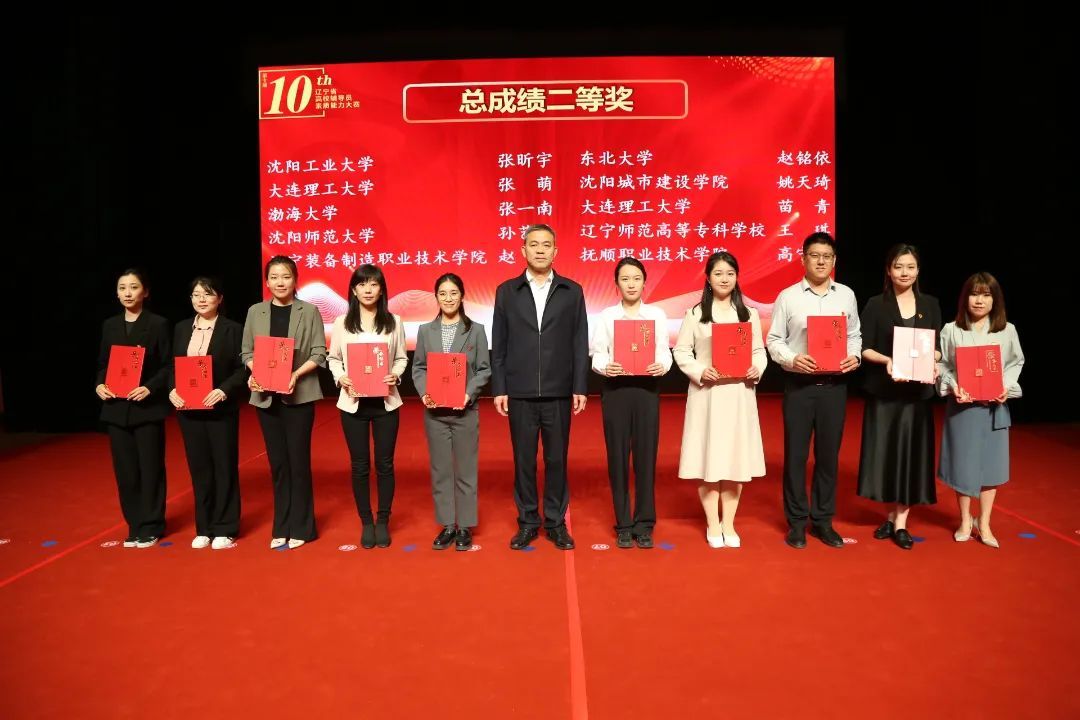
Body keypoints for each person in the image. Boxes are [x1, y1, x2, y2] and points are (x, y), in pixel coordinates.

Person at [491, 223, 589, 551]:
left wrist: (579, 386)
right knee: (524, 460)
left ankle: (556, 523)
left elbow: (579, 341)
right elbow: (499, 343)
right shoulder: (507, 291)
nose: (540, 250)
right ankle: (528, 522)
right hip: (519, 390)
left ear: (555, 251)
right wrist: (500, 387)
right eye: (534, 244)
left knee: (557, 459)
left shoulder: (572, 291)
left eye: (546, 245)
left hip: (558, 390)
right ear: (523, 250)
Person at [766, 232, 862, 550]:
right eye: (815, 255)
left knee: (828, 457)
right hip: (799, 387)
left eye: (827, 256)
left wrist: (854, 355)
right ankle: (796, 522)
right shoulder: (788, 297)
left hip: (834, 387)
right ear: (803, 258)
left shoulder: (846, 295)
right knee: (796, 457)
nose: (821, 261)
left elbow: (854, 334)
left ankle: (822, 520)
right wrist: (793, 358)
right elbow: (774, 340)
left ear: (834, 260)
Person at [673, 252, 767, 548]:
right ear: (708, 278)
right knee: (709, 458)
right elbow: (681, 351)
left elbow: (759, 351)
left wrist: (757, 368)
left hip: (738, 394)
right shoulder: (695, 314)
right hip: (708, 395)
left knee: (735, 459)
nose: (724, 279)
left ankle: (729, 524)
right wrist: (701, 371)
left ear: (737, 277)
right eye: (718, 273)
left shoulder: (748, 314)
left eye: (730, 273)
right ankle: (713, 523)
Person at [855, 245, 942, 550]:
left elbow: (937, 346)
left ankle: (901, 522)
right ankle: (890, 516)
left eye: (910, 267)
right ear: (888, 271)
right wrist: (888, 361)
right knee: (886, 455)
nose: (904, 273)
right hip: (885, 392)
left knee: (910, 456)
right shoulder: (875, 304)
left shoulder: (930, 304)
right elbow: (863, 347)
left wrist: (933, 358)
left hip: (916, 396)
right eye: (898, 266)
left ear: (918, 270)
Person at [241, 256, 326, 550]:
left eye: (286, 276)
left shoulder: (309, 311)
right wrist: (254, 373)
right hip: (266, 398)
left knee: (298, 463)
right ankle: (282, 525)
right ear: (267, 281)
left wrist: (295, 375)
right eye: (274, 277)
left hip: (299, 396)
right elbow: (246, 352)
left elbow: (319, 353)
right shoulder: (255, 312)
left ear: (295, 280)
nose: (280, 282)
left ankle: (302, 526)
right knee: (278, 464)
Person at [937, 272, 1024, 548]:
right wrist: (953, 386)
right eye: (974, 294)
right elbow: (942, 364)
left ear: (995, 300)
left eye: (986, 295)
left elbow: (1015, 363)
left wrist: (1006, 387)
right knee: (962, 466)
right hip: (962, 408)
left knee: (991, 468)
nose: (979, 300)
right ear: (965, 298)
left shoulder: (1006, 330)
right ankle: (965, 520)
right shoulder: (952, 329)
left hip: (994, 408)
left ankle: (984, 522)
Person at [590, 257, 671, 549]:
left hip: (646, 390)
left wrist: (661, 365)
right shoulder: (607, 316)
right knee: (618, 458)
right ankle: (623, 523)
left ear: (644, 282)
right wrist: (606, 366)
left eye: (636, 278)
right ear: (617, 285)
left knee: (646, 457)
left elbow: (664, 352)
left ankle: (644, 523)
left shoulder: (656, 315)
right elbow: (597, 353)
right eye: (625, 279)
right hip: (616, 391)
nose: (631, 284)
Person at [327, 264, 408, 549]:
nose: (368, 290)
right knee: (360, 465)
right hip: (353, 404)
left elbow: (401, 358)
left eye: (374, 284)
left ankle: (383, 520)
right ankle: (366, 521)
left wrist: (395, 374)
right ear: (353, 290)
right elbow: (334, 358)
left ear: (382, 289)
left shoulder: (394, 321)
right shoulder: (341, 323)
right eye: (362, 284)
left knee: (385, 465)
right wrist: (341, 377)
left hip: (386, 403)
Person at [167, 276, 249, 550]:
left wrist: (224, 390)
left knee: (224, 466)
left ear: (220, 298)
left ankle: (226, 527)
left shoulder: (233, 329)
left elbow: (242, 368)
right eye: (196, 294)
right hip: (188, 410)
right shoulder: (181, 328)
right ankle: (204, 526)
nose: (201, 299)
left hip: (220, 408)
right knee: (199, 468)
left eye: (208, 294)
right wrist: (172, 390)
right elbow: (172, 366)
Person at [411, 273, 491, 551]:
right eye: (443, 293)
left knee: (466, 470)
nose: (448, 298)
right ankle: (447, 525)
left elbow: (484, 369)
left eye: (453, 293)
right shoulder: (425, 331)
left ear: (462, 296)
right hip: (435, 413)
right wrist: (424, 393)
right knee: (441, 470)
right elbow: (419, 367)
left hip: (464, 411)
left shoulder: (476, 330)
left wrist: (468, 394)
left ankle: (465, 526)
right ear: (436, 297)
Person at [95, 268, 171, 549]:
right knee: (125, 471)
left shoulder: (158, 324)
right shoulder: (110, 325)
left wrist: (150, 387)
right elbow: (103, 364)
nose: (128, 293)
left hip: (146, 407)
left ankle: (152, 525)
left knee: (150, 468)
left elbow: (168, 365)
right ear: (117, 293)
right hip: (116, 408)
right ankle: (135, 525)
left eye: (134, 287)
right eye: (122, 288)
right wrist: (99, 384)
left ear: (145, 292)